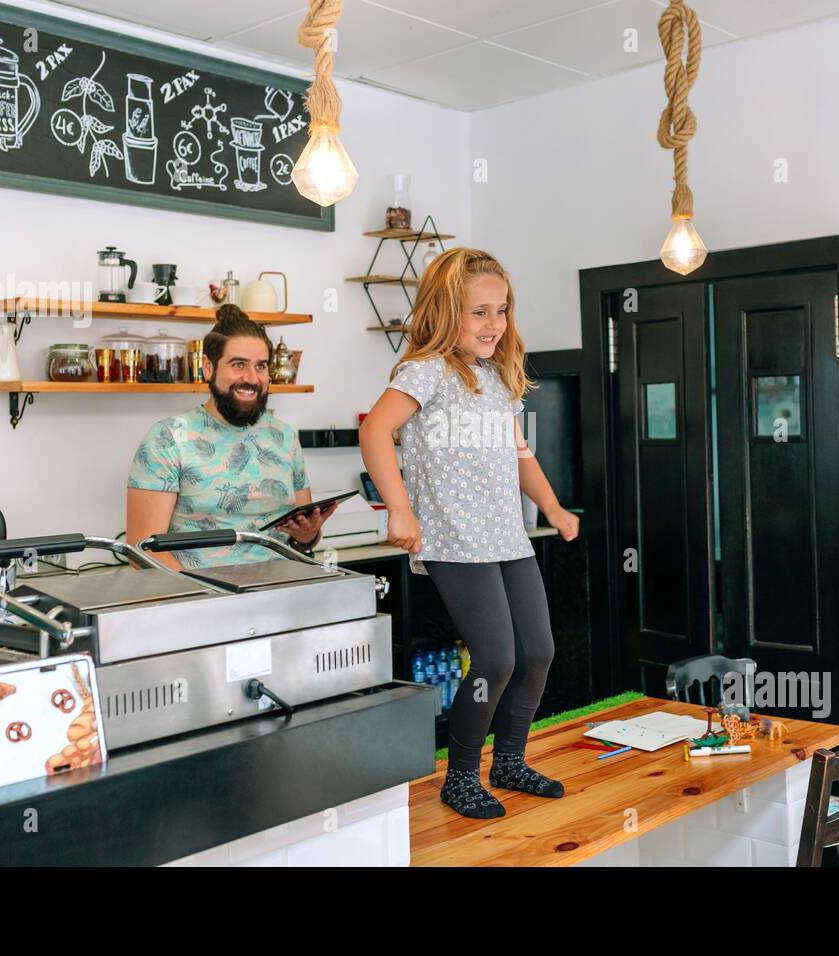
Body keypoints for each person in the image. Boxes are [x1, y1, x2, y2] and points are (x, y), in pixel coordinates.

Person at [359, 248, 580, 819]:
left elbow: (519, 452)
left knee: (538, 652)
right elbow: (376, 434)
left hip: (508, 537)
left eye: (500, 311)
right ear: (444, 312)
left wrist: (553, 507)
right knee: (495, 659)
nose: (493, 324)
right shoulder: (425, 371)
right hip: (455, 540)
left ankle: (509, 760)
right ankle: (459, 776)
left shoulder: (497, 376)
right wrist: (400, 510)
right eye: (478, 312)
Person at [127, 306, 336, 569]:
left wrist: (307, 536)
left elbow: (303, 541)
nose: (251, 378)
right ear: (208, 368)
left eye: (260, 366)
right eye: (238, 364)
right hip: (200, 598)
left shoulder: (284, 437)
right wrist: (212, 598)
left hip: (282, 591)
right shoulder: (167, 438)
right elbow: (143, 550)